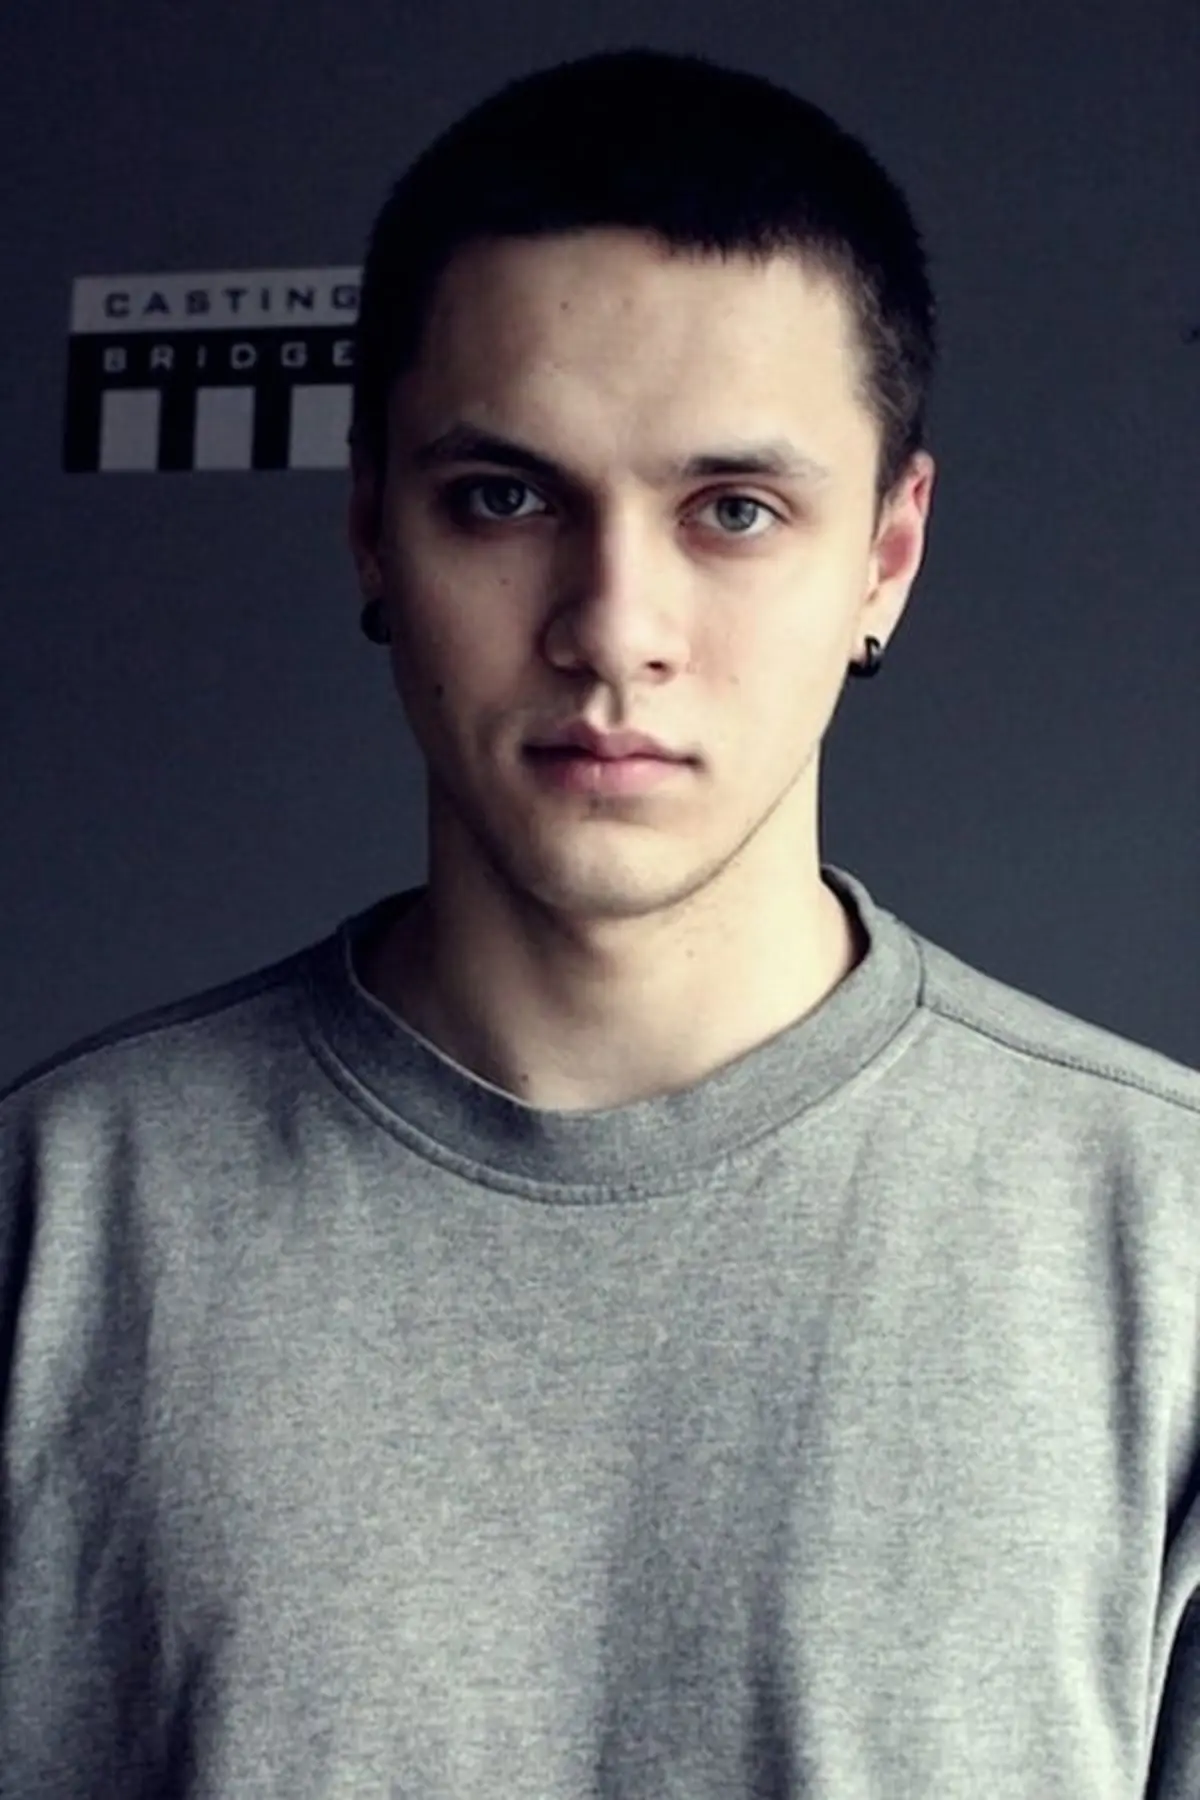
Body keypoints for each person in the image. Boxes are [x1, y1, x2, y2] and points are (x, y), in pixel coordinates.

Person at [2, 44, 1198, 1800]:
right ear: (370, 530)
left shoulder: (1168, 1249)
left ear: (886, 556)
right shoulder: (57, 1221)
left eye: (735, 511)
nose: (614, 626)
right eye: (505, 497)